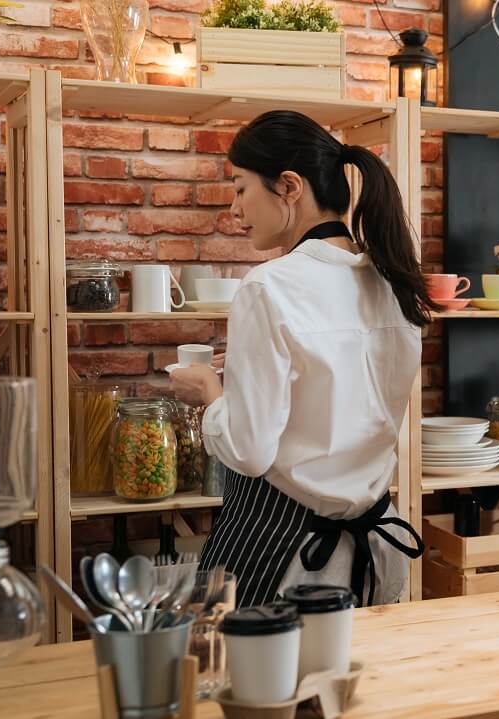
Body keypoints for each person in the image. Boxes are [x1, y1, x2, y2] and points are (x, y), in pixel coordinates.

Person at [170, 110, 433, 607]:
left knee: (248, 684)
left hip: (284, 551)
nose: (234, 206)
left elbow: (249, 450)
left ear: (289, 186)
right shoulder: (392, 280)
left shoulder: (269, 286)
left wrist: (210, 391)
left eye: (242, 187)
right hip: (375, 548)